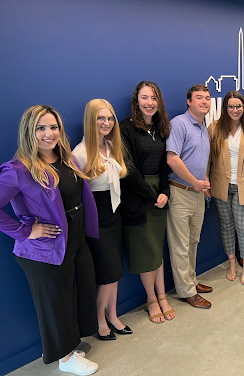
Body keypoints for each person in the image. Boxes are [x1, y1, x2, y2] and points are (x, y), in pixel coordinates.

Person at [0, 105, 99, 375]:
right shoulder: (18, 170)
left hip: (75, 240)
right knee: (55, 303)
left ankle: (68, 345)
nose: (48, 133)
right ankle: (65, 358)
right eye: (40, 128)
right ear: (29, 132)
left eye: (53, 127)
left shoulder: (68, 160)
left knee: (75, 295)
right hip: (45, 249)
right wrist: (24, 231)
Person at [73, 99, 132, 340]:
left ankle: (113, 315)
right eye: (101, 118)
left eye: (109, 118)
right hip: (97, 218)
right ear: (90, 120)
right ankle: (99, 321)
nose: (106, 123)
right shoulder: (79, 153)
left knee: (115, 271)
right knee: (106, 274)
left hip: (115, 213)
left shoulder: (110, 145)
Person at [119, 81, 174, 324]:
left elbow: (165, 163)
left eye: (153, 98)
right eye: (144, 97)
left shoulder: (161, 128)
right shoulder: (125, 128)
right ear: (136, 101)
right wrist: (153, 196)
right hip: (138, 198)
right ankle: (151, 299)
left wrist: (164, 192)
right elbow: (128, 169)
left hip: (159, 194)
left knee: (156, 248)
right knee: (145, 252)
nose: (149, 102)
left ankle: (162, 296)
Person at [208, 91, 244, 284]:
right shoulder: (214, 128)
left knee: (243, 228)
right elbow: (207, 159)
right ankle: (232, 262)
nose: (235, 110)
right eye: (231, 106)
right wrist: (206, 183)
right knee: (226, 227)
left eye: (238, 106)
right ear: (225, 108)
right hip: (221, 187)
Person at [166, 84, 213, 309]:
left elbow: (200, 160)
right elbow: (172, 159)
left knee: (193, 241)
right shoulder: (179, 124)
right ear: (189, 101)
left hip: (197, 194)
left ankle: (191, 281)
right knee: (180, 245)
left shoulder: (204, 127)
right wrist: (195, 183)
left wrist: (202, 182)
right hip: (180, 192)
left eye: (207, 98)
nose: (204, 102)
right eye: (199, 98)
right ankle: (186, 291)